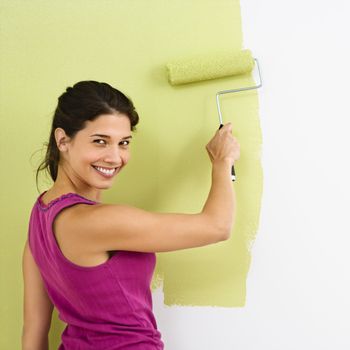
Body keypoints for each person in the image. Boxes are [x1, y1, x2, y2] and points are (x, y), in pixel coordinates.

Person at [22, 80, 240, 350]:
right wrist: (222, 162)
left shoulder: (40, 212)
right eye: (100, 141)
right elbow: (217, 226)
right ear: (63, 140)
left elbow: (33, 329)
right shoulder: (96, 222)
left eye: (123, 143)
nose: (115, 157)